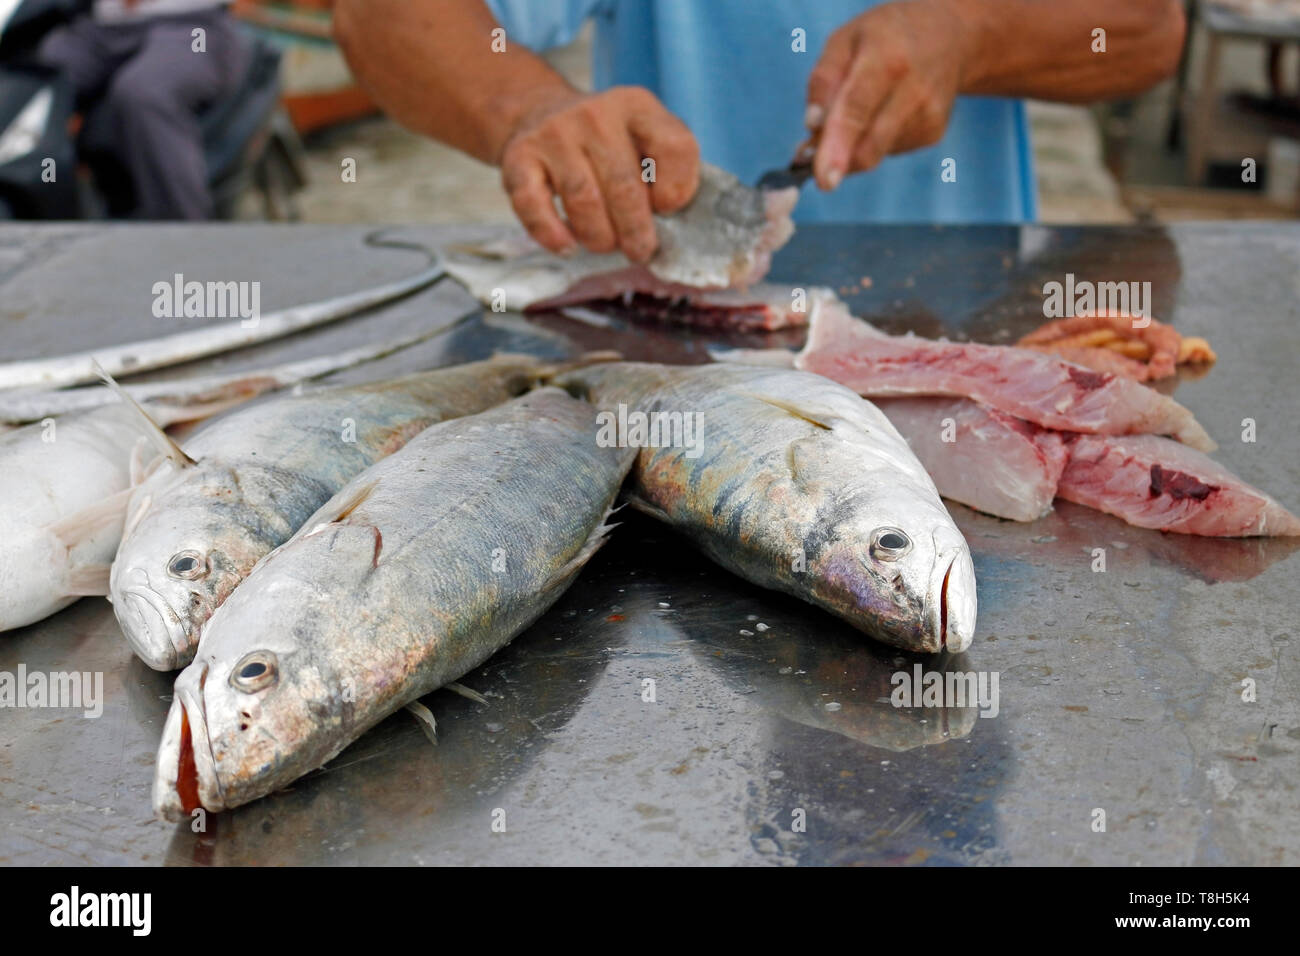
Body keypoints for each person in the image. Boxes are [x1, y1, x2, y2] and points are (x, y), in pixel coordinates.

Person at [334, 0, 1185, 263]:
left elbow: (1146, 27)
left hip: (951, 326)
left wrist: (970, 33)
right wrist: (530, 110)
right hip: (669, 329)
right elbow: (382, 16)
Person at [37, 0, 251, 219]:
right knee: (33, 82)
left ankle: (183, 231)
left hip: (194, 26)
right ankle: (29, 213)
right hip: (100, 28)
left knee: (146, 92)